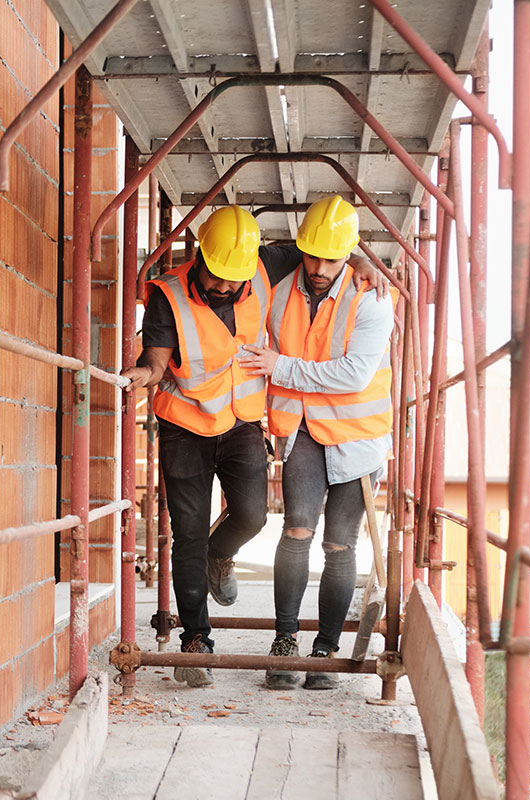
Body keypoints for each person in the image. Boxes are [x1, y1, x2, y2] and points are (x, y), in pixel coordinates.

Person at [121, 205, 385, 688]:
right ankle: (195, 643)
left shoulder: (264, 264)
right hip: (184, 424)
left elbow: (327, 252)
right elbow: (157, 355)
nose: (227, 286)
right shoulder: (168, 294)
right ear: (200, 255)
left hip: (243, 421)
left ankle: (222, 556)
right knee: (189, 535)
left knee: (253, 516)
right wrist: (147, 372)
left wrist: (364, 260)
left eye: (235, 278)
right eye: (218, 276)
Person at [237, 196, 395, 690]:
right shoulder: (280, 285)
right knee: (298, 531)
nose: (320, 267)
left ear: (349, 254)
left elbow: (354, 374)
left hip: (358, 438)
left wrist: (279, 367)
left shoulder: (370, 297)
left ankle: (325, 650)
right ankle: (285, 643)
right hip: (303, 427)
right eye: (313, 256)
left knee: (339, 544)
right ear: (300, 248)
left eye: (332, 258)